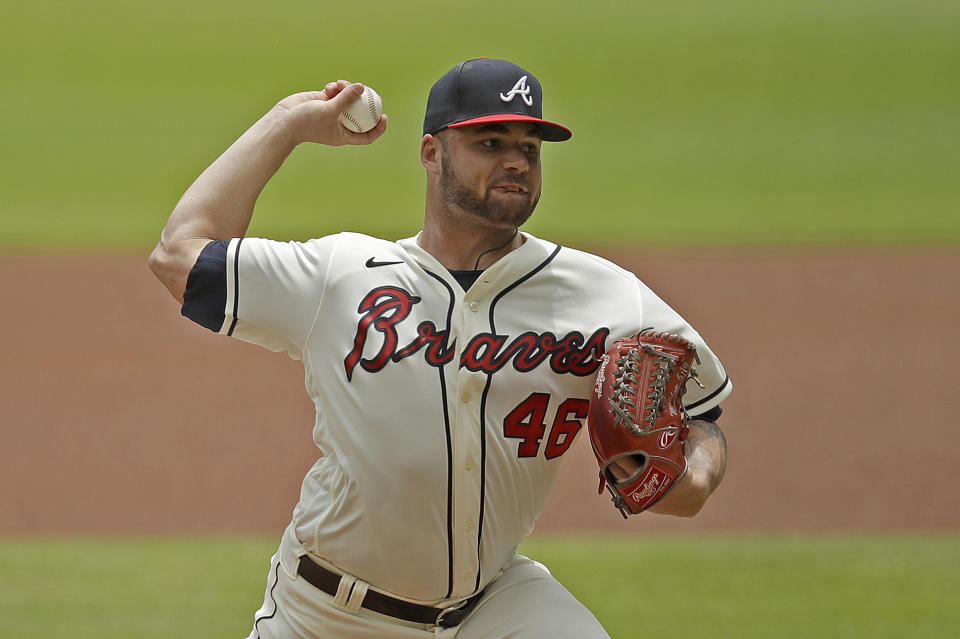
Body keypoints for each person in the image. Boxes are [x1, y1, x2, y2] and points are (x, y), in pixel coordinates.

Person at [149, 58, 732, 639]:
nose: (515, 161)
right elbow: (180, 256)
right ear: (432, 153)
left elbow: (703, 413)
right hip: (327, 613)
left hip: (492, 607)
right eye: (490, 141)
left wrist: (695, 475)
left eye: (530, 147)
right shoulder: (343, 276)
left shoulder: (603, 294)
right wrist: (285, 124)